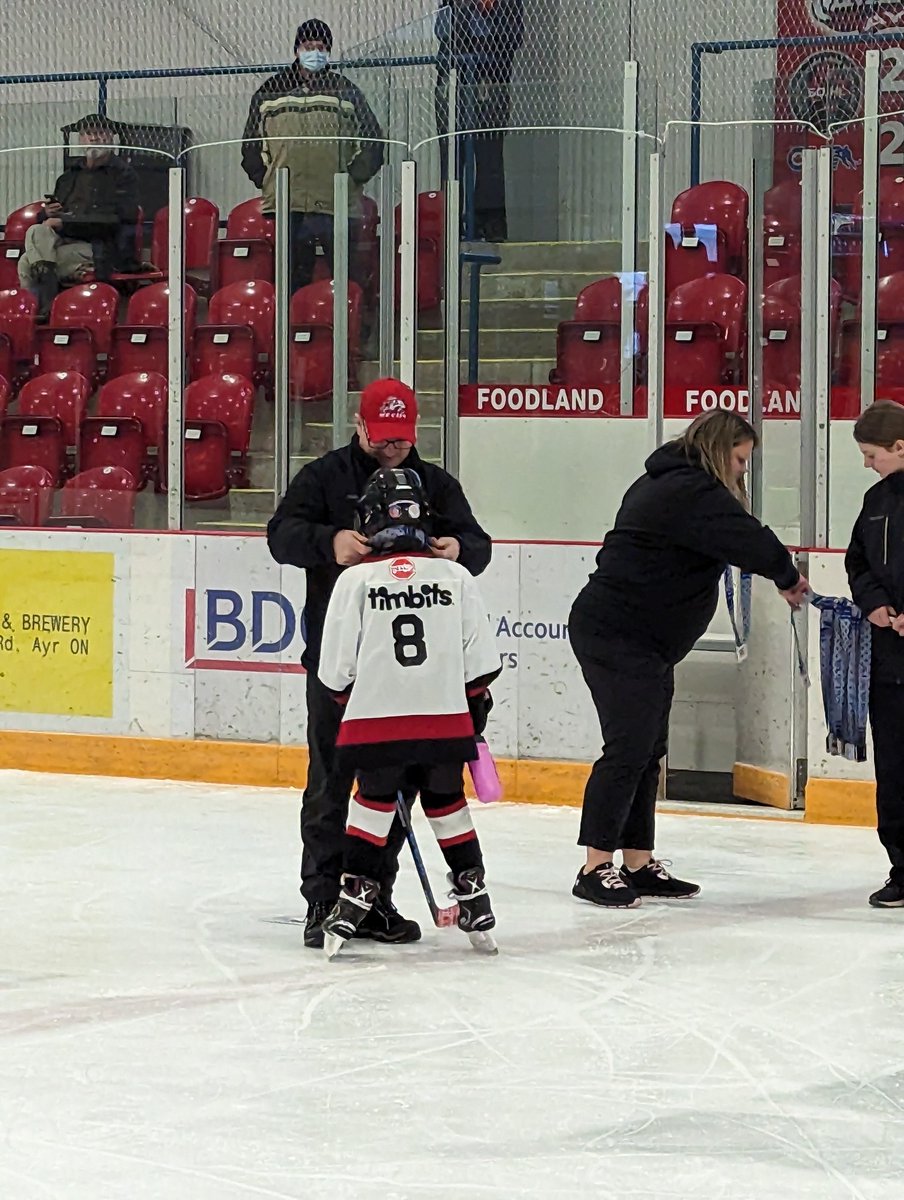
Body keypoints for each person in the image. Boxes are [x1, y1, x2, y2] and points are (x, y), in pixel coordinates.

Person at [266, 378, 493, 948]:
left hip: (415, 680)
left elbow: (478, 545)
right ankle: (323, 900)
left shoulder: (436, 484)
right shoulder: (322, 477)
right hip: (339, 669)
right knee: (332, 784)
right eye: (383, 437)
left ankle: (373, 897)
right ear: (360, 426)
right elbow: (280, 535)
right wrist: (329, 542)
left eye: (403, 438)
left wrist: (458, 549)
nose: (393, 448)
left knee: (395, 791)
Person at [569, 411, 810, 908]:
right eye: (741, 460)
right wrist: (787, 576)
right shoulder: (687, 490)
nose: (743, 471)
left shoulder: (676, 484)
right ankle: (595, 866)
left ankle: (637, 861)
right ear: (720, 451)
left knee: (648, 748)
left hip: (645, 640)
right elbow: (748, 538)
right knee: (628, 747)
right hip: (617, 634)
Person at [317, 466, 501, 958]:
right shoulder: (456, 575)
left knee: (372, 802)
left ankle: (355, 892)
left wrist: (353, 703)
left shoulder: (356, 579)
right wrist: (471, 710)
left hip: (376, 721)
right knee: (446, 800)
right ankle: (473, 894)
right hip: (444, 718)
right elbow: (482, 664)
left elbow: (334, 670)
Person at [241, 20, 385, 291]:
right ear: (297, 49)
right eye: (309, 46)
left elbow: (372, 141)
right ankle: (292, 328)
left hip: (336, 202)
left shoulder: (345, 90)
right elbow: (251, 145)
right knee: (291, 278)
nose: (314, 52)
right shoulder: (270, 91)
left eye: (321, 47)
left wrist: (350, 179)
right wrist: (268, 181)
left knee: (347, 276)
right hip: (288, 204)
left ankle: (352, 328)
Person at [845, 400, 904, 908]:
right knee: (895, 768)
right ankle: (903, 868)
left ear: (899, 447)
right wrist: (875, 603)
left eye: (871, 454)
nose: (867, 464)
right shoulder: (876, 500)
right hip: (890, 661)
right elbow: (857, 560)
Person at [19, 115, 141, 318]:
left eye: (100, 132)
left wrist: (64, 223)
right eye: (88, 133)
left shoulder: (123, 175)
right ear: (81, 139)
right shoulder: (68, 177)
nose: (94, 138)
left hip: (100, 248)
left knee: (26, 262)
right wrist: (47, 213)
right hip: (62, 244)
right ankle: (39, 309)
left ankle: (42, 310)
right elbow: (51, 216)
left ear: (111, 137)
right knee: (37, 230)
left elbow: (115, 220)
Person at [435, 0, 523, 242]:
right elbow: (445, 33)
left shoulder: (508, 3)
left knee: (491, 158)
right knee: (452, 158)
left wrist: (485, 21)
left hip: (492, 84)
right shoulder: (453, 3)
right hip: (454, 84)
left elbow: (514, 36)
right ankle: (451, 224)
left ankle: (490, 222)